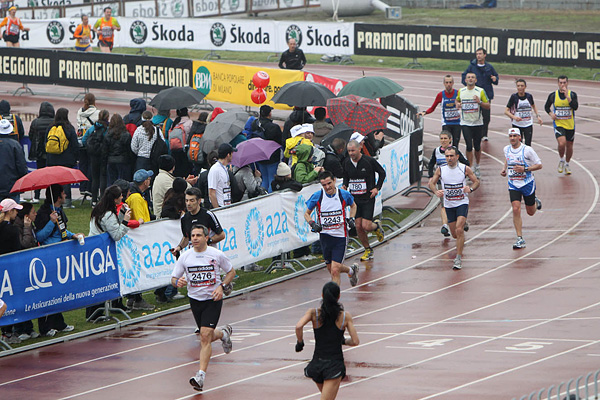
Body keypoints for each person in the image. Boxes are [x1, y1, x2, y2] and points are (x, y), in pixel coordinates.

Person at [171, 224, 235, 392]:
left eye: (199, 235)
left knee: (205, 336)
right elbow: (173, 278)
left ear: (206, 238)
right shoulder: (185, 257)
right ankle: (223, 333)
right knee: (205, 335)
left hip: (212, 299)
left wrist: (221, 287)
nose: (195, 238)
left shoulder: (216, 255)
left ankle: (200, 376)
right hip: (195, 300)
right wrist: (178, 282)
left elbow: (231, 272)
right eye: (192, 236)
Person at [295, 281, 359, 400]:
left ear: (322, 296)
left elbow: (298, 326)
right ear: (338, 297)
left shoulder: (314, 313)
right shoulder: (345, 316)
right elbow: (355, 341)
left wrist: (300, 342)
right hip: (334, 365)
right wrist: (344, 341)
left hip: (317, 364)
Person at [34, 184, 81, 336]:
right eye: (63, 193)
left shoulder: (59, 211)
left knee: (58, 291)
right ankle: (45, 327)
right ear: (58, 196)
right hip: (48, 257)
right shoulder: (43, 213)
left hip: (60, 255)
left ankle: (59, 323)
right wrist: (50, 222)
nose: (66, 195)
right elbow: (40, 236)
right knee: (46, 294)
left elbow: (62, 230)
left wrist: (72, 235)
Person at [428, 146, 480, 270]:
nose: (449, 158)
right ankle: (460, 240)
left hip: (462, 202)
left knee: (459, 229)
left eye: (452, 156)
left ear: (457, 157)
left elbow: (476, 181)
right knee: (454, 234)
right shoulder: (441, 170)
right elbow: (431, 183)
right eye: (447, 156)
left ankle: (458, 258)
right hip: (449, 204)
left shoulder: (464, 169)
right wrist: (436, 192)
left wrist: (470, 188)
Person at [304, 171, 359, 286]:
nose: (327, 187)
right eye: (324, 185)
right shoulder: (318, 196)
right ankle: (351, 271)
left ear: (334, 180)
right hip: (325, 237)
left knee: (335, 270)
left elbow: (353, 205)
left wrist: (351, 218)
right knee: (332, 269)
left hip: (340, 237)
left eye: (329, 183)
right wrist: (312, 223)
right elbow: (306, 214)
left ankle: (334, 301)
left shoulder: (343, 195)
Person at [342, 140, 386, 261]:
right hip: (355, 200)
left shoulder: (369, 161)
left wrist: (377, 188)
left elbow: (382, 173)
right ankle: (368, 249)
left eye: (353, 150)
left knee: (366, 226)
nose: (351, 153)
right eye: (349, 151)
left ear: (359, 149)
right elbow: (345, 175)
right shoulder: (346, 162)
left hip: (367, 198)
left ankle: (376, 226)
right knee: (358, 226)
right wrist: (345, 185)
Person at [500, 128, 543, 250]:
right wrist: (504, 169)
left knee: (531, 212)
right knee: (516, 208)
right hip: (513, 184)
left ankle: (534, 201)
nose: (512, 138)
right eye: (510, 136)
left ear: (519, 137)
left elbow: (539, 165)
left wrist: (525, 169)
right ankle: (520, 238)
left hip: (527, 183)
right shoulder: (506, 149)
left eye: (514, 136)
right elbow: (507, 159)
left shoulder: (527, 150)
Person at [428, 130, 470, 237]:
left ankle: (462, 221)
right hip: (442, 182)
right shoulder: (436, 151)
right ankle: (445, 226)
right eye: (441, 138)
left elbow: (466, 163)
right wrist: (430, 176)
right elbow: (431, 164)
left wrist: (459, 171)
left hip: (456, 183)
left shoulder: (455, 151)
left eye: (445, 138)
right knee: (444, 205)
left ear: (450, 139)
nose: (443, 141)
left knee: (458, 204)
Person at [171, 187, 225, 258]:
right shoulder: (184, 218)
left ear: (199, 201)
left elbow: (221, 235)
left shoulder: (208, 215)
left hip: (208, 255)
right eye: (186, 200)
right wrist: (179, 248)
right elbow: (186, 237)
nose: (188, 204)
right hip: (193, 256)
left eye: (192, 200)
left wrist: (207, 240)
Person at [456, 72, 490, 178]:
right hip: (465, 123)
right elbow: (457, 100)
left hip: (477, 123)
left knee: (477, 146)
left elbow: (488, 105)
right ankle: (469, 168)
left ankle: (477, 166)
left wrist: (479, 102)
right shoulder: (461, 91)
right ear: (465, 80)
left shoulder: (480, 91)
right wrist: (457, 104)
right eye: (468, 77)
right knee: (469, 146)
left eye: (472, 77)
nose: (470, 79)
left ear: (476, 80)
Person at [461, 47, 498, 141]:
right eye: (477, 54)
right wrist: (469, 86)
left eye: (480, 54)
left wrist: (495, 79)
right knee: (474, 114)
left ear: (484, 55)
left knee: (486, 116)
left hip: (486, 94)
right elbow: (464, 77)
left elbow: (495, 78)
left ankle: (484, 134)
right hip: (474, 95)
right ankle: (474, 133)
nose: (478, 56)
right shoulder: (472, 66)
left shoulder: (489, 67)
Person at [45, 107, 79, 208]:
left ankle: (52, 200)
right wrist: (75, 158)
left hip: (52, 159)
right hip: (66, 159)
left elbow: (45, 143)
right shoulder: (69, 128)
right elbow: (75, 145)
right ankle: (67, 202)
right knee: (65, 181)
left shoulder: (50, 128)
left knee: (53, 181)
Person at [544, 75, 579, 175]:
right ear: (558, 83)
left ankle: (567, 164)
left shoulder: (572, 95)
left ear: (567, 83)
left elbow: (575, 107)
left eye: (564, 83)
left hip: (570, 125)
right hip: (559, 124)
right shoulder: (553, 95)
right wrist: (551, 114)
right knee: (562, 143)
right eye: (561, 83)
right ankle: (561, 160)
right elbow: (546, 107)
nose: (562, 85)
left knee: (569, 145)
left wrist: (568, 97)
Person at [418, 74, 462, 147]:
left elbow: (463, 105)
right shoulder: (440, 95)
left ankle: (455, 158)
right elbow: (433, 107)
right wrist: (425, 112)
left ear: (453, 83)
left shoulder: (458, 93)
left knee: (455, 145)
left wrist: (460, 105)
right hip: (446, 124)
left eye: (450, 82)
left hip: (457, 123)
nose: (448, 84)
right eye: (447, 82)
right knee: (446, 145)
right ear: (444, 83)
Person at [251, 105, 283, 192]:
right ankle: (270, 199)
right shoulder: (274, 127)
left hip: (259, 155)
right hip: (272, 156)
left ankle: (263, 195)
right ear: (269, 114)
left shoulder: (255, 124)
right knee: (272, 179)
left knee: (264, 178)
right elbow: (280, 141)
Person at [28, 102, 55, 203]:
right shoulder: (54, 122)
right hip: (51, 153)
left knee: (39, 175)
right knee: (52, 176)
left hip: (39, 154)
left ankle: (36, 196)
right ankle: (51, 196)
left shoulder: (35, 122)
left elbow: (31, 136)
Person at [504, 79, 543, 147]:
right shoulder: (514, 97)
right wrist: (514, 117)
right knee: (518, 144)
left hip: (528, 124)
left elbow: (534, 106)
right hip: (517, 124)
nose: (520, 87)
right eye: (518, 86)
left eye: (522, 86)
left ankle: (527, 157)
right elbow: (506, 111)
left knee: (528, 145)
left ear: (525, 87)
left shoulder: (529, 96)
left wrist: (538, 116)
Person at [82, 109, 109, 205]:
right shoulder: (108, 128)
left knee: (95, 178)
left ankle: (93, 200)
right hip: (104, 156)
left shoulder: (93, 127)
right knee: (103, 177)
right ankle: (102, 199)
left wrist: (90, 149)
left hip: (93, 156)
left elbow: (84, 140)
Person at [0, 119, 28, 202]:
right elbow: (21, 166)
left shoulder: (15, 145)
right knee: (13, 212)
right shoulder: (15, 145)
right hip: (12, 186)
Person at [103, 113, 133, 185]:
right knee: (123, 183)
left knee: (111, 182)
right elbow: (129, 150)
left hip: (111, 160)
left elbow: (105, 151)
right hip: (123, 161)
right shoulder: (126, 135)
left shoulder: (108, 135)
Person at [208, 143, 237, 208]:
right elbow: (211, 193)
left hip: (226, 206)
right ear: (228, 155)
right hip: (220, 207)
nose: (233, 155)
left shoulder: (224, 168)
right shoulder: (215, 169)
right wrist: (218, 210)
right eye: (232, 153)